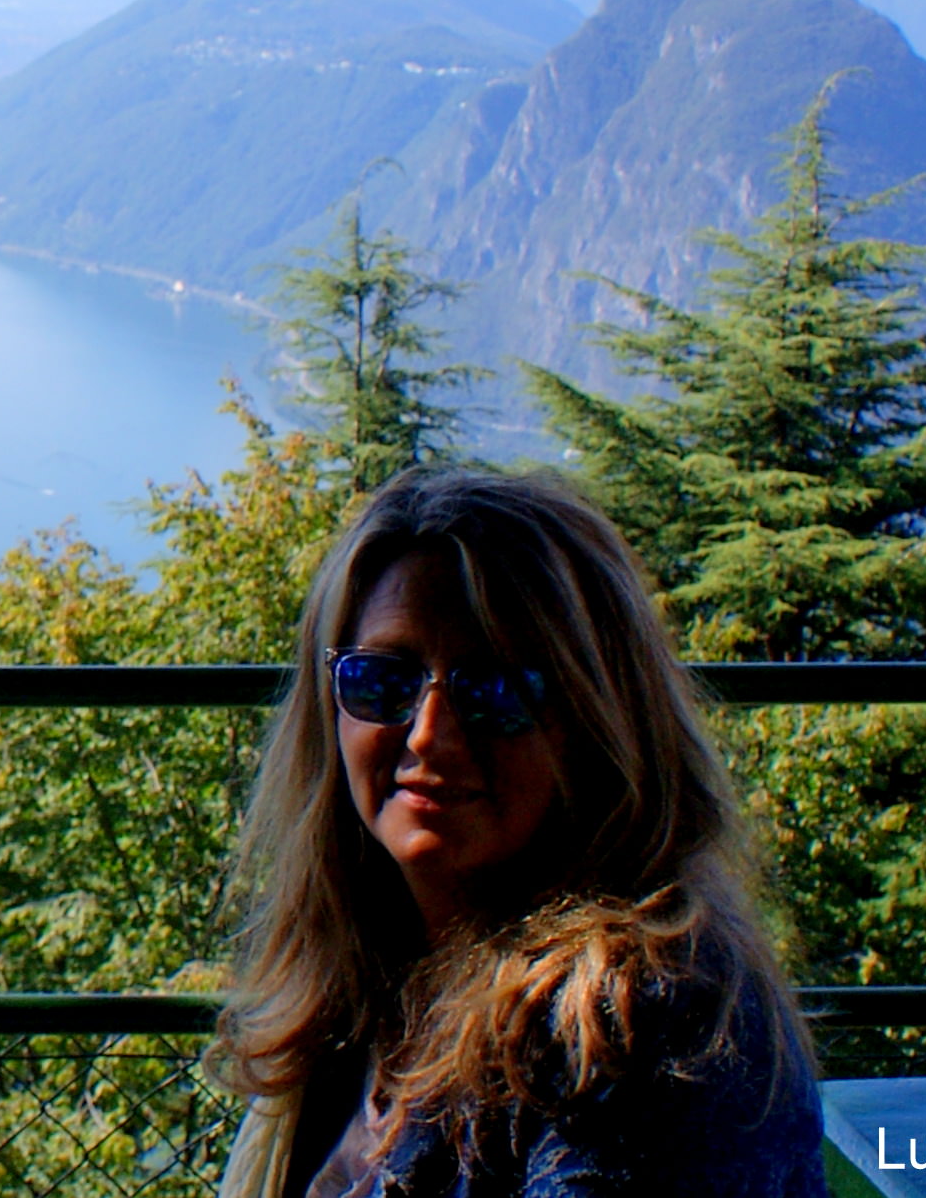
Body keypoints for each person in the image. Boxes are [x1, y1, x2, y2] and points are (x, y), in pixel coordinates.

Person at [216, 466, 823, 1198]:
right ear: (330, 706)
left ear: (599, 723)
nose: (430, 734)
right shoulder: (364, 993)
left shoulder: (646, 1022)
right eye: (383, 678)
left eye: (498, 688)